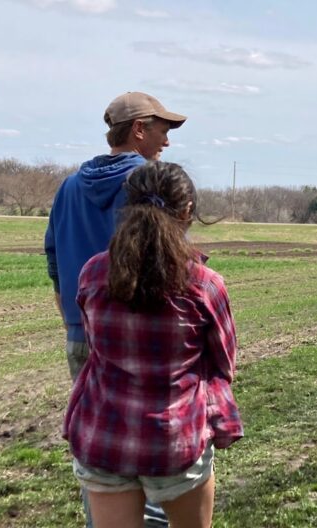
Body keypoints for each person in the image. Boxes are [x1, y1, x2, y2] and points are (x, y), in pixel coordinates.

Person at [65, 161, 242, 528]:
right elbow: (225, 363)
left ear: (127, 208)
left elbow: (95, 346)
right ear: (188, 211)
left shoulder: (93, 273)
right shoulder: (205, 285)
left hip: (105, 435)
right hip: (175, 439)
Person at [44, 91, 186, 527]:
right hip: (138, 338)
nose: (166, 140)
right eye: (162, 129)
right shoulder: (147, 185)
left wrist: (76, 319)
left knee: (101, 457)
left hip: (82, 335)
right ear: (139, 128)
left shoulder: (69, 185)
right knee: (153, 455)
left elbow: (53, 259)